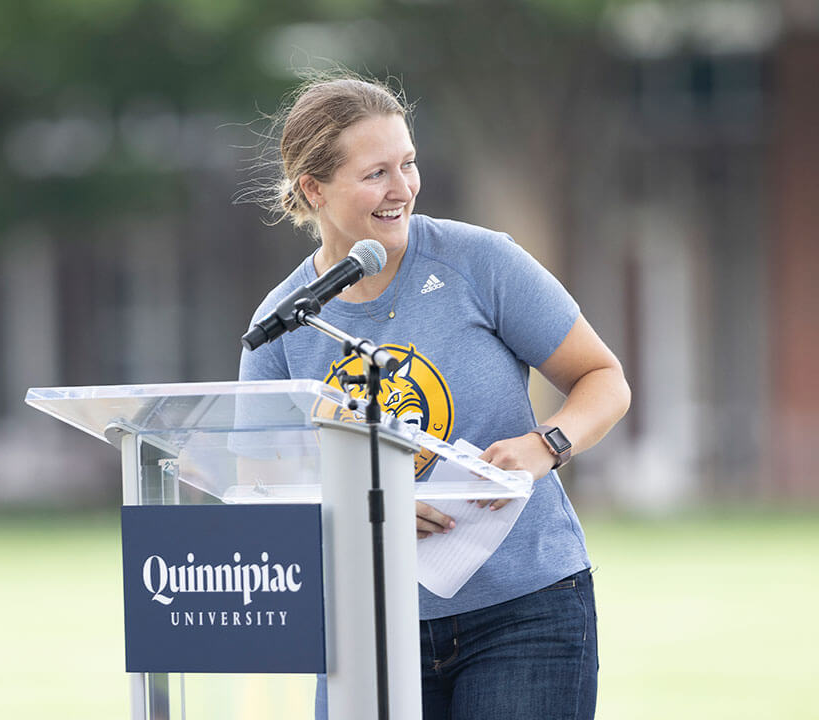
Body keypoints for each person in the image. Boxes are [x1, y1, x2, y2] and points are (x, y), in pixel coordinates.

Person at [239, 74, 630, 719]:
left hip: (524, 615)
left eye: (409, 164)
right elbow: (265, 487)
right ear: (314, 189)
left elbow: (603, 379)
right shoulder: (282, 323)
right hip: (366, 625)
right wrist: (368, 514)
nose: (403, 189)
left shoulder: (480, 263)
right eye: (376, 174)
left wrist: (545, 444)